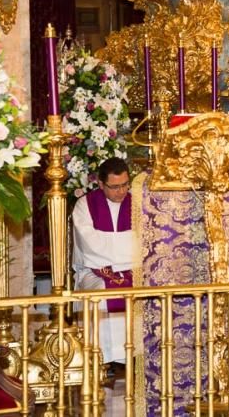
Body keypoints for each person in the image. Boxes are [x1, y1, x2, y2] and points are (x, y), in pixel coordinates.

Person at [72, 157, 134, 367]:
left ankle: (136, 356)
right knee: (100, 291)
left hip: (133, 270)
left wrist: (123, 251)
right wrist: (128, 247)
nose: (122, 191)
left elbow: (145, 242)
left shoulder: (137, 204)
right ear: (100, 184)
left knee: (143, 291)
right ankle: (102, 358)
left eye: (125, 184)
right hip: (94, 270)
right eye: (115, 187)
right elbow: (90, 245)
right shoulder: (85, 205)